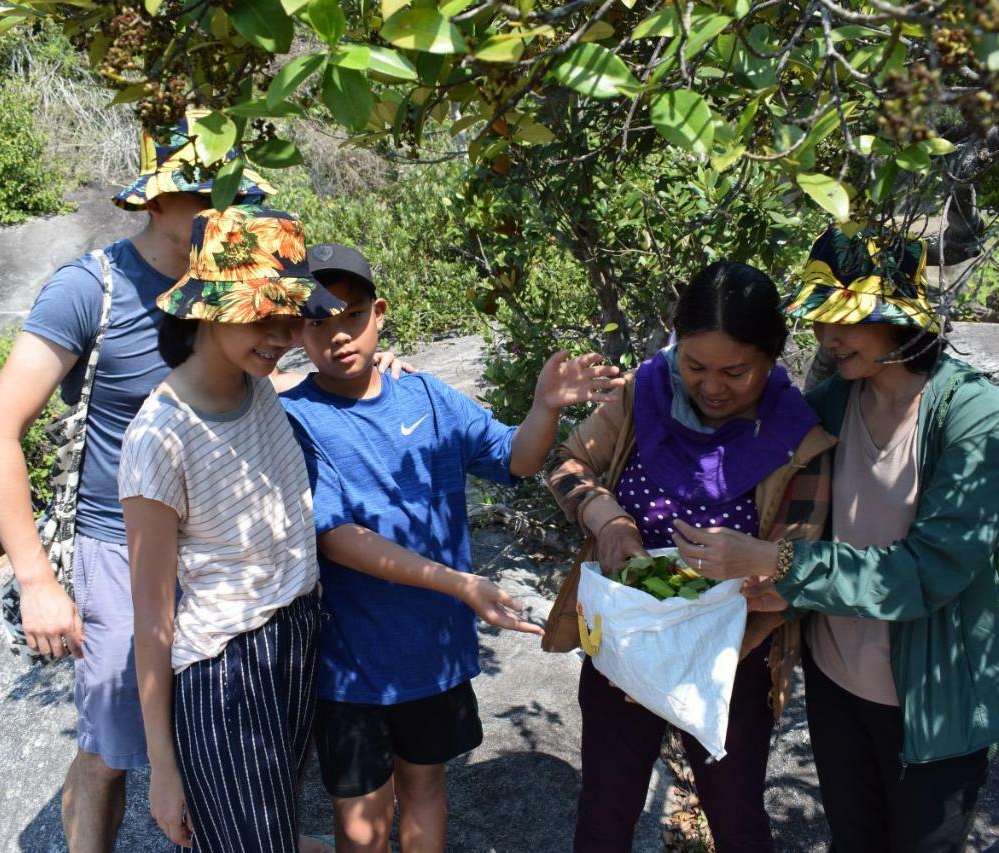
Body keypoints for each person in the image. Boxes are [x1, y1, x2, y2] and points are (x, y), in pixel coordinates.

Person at [0, 110, 276, 852]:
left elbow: (271, 375)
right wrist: (37, 578)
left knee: (208, 718)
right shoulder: (88, 290)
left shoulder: (236, 279)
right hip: (117, 545)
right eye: (200, 199)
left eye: (227, 200)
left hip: (216, 542)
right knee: (113, 742)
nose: (216, 217)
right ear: (156, 198)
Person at [679, 226, 999, 853]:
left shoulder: (975, 416)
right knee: (854, 838)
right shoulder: (833, 404)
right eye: (820, 322)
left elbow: (930, 572)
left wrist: (777, 562)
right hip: (838, 682)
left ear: (900, 320)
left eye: (847, 321)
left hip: (932, 700)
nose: (828, 337)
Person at [280, 244, 626, 853]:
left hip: (432, 656)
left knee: (426, 787)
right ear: (298, 331)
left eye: (352, 315)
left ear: (379, 313)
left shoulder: (429, 397)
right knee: (361, 823)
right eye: (318, 321)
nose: (338, 335)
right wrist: (461, 584)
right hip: (350, 667)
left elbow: (515, 459)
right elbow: (334, 538)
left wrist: (544, 407)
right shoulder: (295, 418)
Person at [542, 261, 836, 853]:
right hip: (624, 642)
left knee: (737, 816)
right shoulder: (640, 396)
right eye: (694, 365)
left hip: (733, 656)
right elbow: (566, 466)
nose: (711, 387)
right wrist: (609, 519)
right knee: (605, 812)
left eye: (737, 371)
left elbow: (796, 564)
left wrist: (688, 654)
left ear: (775, 355)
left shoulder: (798, 439)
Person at [119, 204, 345, 851]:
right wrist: (164, 769)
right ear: (208, 305)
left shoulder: (258, 383)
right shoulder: (158, 440)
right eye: (260, 314)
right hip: (226, 673)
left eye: (291, 316)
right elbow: (152, 619)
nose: (280, 335)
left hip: (295, 636)